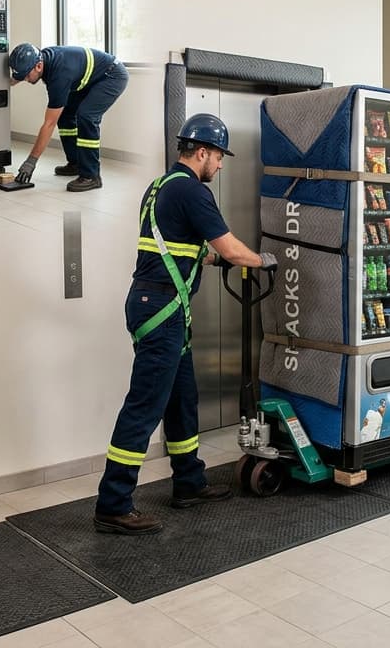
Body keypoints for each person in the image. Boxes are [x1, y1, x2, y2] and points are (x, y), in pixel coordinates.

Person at [94, 113, 276, 535]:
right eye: (219, 156)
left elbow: (176, 247)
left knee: (181, 398)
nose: (221, 165)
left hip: (158, 305)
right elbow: (231, 248)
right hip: (162, 310)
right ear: (202, 152)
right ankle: (113, 504)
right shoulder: (193, 191)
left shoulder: (160, 187)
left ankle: (189, 482)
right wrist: (261, 260)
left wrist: (211, 261)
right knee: (144, 407)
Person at [8, 43, 129, 191]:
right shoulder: (43, 59)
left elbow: (49, 124)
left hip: (112, 75)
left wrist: (31, 162)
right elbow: (16, 78)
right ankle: (75, 163)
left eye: (26, 75)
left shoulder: (59, 75)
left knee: (87, 116)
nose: (25, 79)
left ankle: (91, 176)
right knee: (65, 115)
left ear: (38, 66)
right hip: (92, 78)